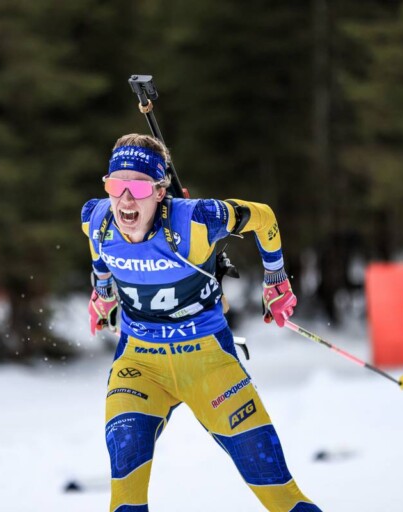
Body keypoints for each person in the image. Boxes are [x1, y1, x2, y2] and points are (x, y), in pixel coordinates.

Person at [81, 134, 321, 512]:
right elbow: (99, 254)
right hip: (139, 366)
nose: (125, 199)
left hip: (208, 363)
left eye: (138, 187)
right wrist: (103, 290)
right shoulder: (96, 218)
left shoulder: (198, 219)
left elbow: (263, 216)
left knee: (281, 496)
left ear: (160, 191)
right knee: (125, 499)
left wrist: (275, 277)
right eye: (115, 185)